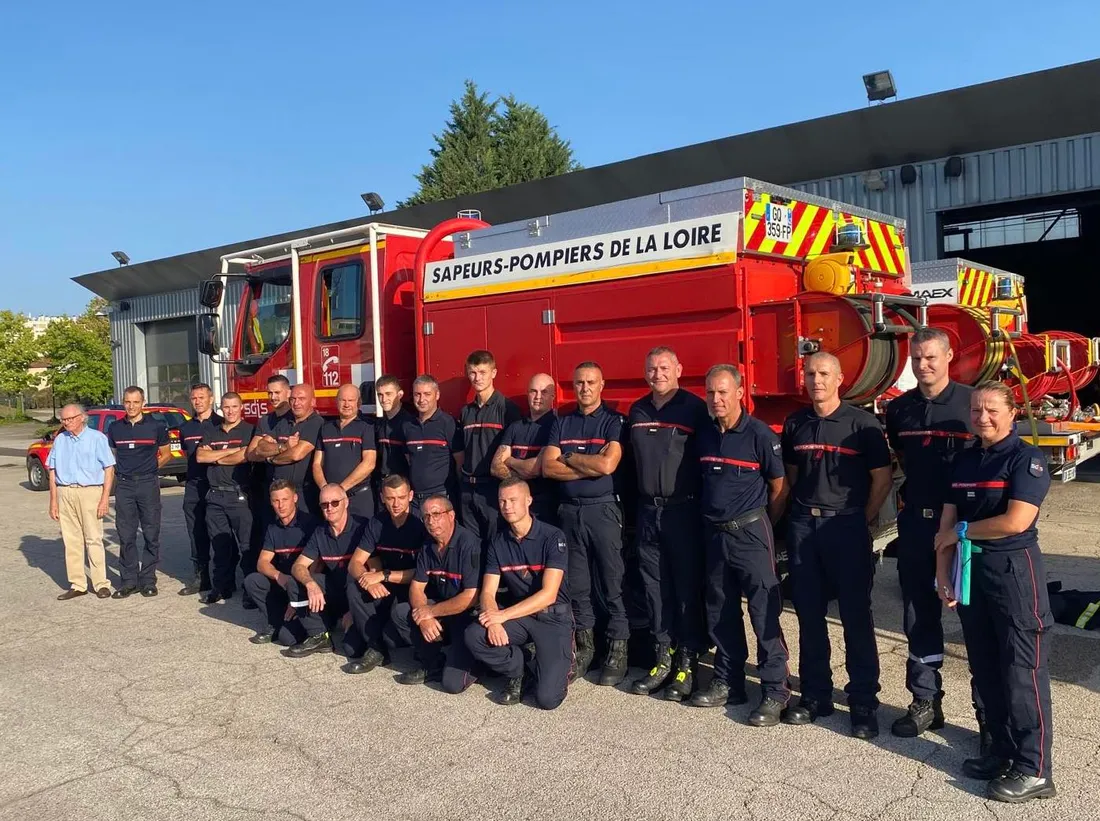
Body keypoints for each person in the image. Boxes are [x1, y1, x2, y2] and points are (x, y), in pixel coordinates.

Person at [934, 381, 1056, 803]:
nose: (982, 417)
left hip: (1013, 571)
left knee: (1022, 671)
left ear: (1011, 415)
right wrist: (942, 574)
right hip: (972, 570)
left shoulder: (1027, 460)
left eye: (991, 410)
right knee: (985, 667)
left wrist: (961, 532)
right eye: (975, 410)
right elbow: (945, 527)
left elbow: (1016, 520)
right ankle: (1001, 751)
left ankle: (1034, 769)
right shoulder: (966, 459)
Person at [781, 352, 892, 738]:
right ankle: (815, 696)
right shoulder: (796, 423)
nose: (816, 380)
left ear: (840, 378)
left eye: (824, 373)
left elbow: (882, 479)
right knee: (809, 617)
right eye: (810, 373)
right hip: (804, 529)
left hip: (845, 528)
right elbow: (792, 477)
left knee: (855, 619)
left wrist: (861, 518)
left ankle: (863, 701)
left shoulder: (863, 425)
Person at [884, 328, 978, 739]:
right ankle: (926, 701)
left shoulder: (970, 404)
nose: (923, 365)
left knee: (976, 617)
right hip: (917, 525)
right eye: (916, 358)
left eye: (931, 358)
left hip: (965, 529)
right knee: (919, 612)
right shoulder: (899, 410)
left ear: (948, 357)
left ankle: (987, 713)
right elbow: (903, 458)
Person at [694, 364, 791, 726]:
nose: (716, 399)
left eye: (722, 392)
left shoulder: (759, 435)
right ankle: (728, 682)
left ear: (739, 392)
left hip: (750, 532)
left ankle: (775, 690)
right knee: (720, 609)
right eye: (710, 393)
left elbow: (778, 486)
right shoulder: (704, 435)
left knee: (764, 610)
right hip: (714, 534)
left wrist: (763, 521)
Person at [627, 346, 710, 700]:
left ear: (678, 368)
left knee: (686, 589)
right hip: (648, 512)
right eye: (651, 368)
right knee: (654, 588)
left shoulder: (694, 409)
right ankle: (663, 659)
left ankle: (687, 664)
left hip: (683, 512)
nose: (657, 373)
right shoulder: (637, 410)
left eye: (663, 367)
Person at [542, 361, 628, 684]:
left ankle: (618, 650)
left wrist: (570, 458)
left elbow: (608, 465)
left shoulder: (613, 421)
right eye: (579, 383)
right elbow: (548, 468)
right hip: (569, 511)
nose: (585, 388)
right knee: (578, 585)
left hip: (602, 510)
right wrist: (587, 464)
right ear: (573, 385)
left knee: (612, 582)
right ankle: (586, 647)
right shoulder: (561, 424)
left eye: (591, 382)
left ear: (602, 384)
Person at [465, 478, 572, 708]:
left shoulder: (553, 537)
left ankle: (558, 658)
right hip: (521, 617)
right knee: (475, 635)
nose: (507, 506)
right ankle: (520, 670)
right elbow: (487, 593)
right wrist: (493, 621)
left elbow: (549, 594)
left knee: (547, 700)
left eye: (513, 500)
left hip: (553, 617)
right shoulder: (498, 541)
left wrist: (502, 616)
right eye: (502, 501)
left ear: (529, 501)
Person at [388, 494, 480, 689]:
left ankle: (477, 662)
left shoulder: (469, 544)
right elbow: (416, 587)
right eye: (426, 516)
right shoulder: (428, 546)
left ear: (451, 515)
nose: (431, 521)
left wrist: (430, 612)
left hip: (466, 616)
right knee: (402, 612)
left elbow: (470, 597)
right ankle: (433, 663)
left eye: (436, 514)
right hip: (441, 610)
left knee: (453, 685)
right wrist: (424, 617)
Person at [343, 476, 425, 674]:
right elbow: (355, 563)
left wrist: (383, 575)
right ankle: (377, 650)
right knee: (350, 646)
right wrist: (367, 581)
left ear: (411, 496)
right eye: (390, 498)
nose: (396, 504)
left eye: (401, 497)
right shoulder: (377, 522)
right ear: (382, 498)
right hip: (384, 585)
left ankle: (389, 641)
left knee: (391, 636)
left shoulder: (421, 522)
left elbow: (423, 573)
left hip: (412, 587)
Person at [47, 404, 115, 600]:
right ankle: (78, 584)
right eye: (63, 420)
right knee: (71, 540)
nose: (66, 423)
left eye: (69, 419)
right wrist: (53, 501)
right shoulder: (60, 440)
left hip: (90, 492)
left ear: (81, 418)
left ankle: (101, 583)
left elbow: (109, 469)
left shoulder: (97, 438)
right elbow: (52, 471)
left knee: (93, 538)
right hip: (65, 491)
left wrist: (104, 499)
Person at [107, 386, 171, 598]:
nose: (131, 406)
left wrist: (150, 469)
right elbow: (113, 456)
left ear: (143, 403)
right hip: (124, 485)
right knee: (126, 535)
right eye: (127, 402)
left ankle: (148, 580)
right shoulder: (115, 427)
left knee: (151, 534)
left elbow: (166, 454)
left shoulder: (157, 426)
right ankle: (129, 580)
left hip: (148, 484)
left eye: (135, 402)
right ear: (123, 402)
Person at [285, 484, 362, 658]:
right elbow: (298, 566)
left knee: (353, 650)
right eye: (324, 504)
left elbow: (373, 569)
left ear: (346, 502)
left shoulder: (361, 527)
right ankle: (319, 635)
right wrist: (311, 584)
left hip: (358, 595)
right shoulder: (320, 532)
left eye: (335, 503)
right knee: (295, 582)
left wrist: (354, 609)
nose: (329, 508)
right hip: (334, 591)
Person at [197, 393, 256, 604]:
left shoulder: (250, 430)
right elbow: (200, 456)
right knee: (220, 546)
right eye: (226, 407)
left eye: (234, 406)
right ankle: (221, 587)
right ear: (221, 408)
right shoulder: (211, 431)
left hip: (238, 495)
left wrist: (218, 457)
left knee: (246, 546)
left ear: (241, 407)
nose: (230, 411)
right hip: (215, 496)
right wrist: (232, 453)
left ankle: (250, 591)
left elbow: (245, 455)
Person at [459, 350, 522, 542]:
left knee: (496, 544)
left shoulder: (507, 408)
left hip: (494, 490)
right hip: (468, 490)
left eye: (483, 372)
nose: (477, 378)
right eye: (472, 372)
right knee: (471, 547)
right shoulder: (465, 412)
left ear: (494, 373)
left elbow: (515, 451)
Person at [242, 480, 316, 645]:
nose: (280, 505)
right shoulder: (272, 528)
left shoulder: (310, 524)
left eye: (285, 499)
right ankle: (274, 623)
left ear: (295, 498)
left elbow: (318, 565)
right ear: (271, 502)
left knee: (287, 639)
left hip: (305, 586)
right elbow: (262, 562)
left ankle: (309, 624)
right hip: (285, 582)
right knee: (253, 580)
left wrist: (296, 597)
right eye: (276, 500)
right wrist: (279, 576)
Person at [242, 374, 293, 606]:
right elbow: (253, 452)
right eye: (270, 393)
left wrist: (268, 448)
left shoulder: (296, 418)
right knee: (265, 538)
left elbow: (296, 451)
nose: (273, 397)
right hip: (269, 490)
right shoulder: (266, 420)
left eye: (277, 393)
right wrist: (280, 447)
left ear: (288, 393)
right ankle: (262, 588)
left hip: (294, 491)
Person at [491, 373, 558, 525]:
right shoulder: (515, 426)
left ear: (553, 396)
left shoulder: (556, 426)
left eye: (544, 392)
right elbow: (495, 467)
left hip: (543, 508)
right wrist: (523, 468)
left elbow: (535, 469)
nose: (537, 396)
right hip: (513, 510)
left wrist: (510, 460)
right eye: (533, 391)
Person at [178, 383, 223, 596]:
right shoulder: (185, 428)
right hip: (194, 486)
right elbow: (188, 456)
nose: (198, 401)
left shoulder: (221, 424)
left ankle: (224, 577)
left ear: (211, 399)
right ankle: (201, 577)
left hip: (216, 484)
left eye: (202, 397)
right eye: (194, 398)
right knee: (196, 531)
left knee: (221, 532)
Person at [402, 375, 464, 511]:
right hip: (414, 500)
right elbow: (409, 460)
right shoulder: (408, 426)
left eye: (427, 394)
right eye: (417, 394)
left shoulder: (448, 423)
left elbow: (460, 461)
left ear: (437, 395)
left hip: (441, 497)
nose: (421, 399)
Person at [314, 383, 377, 518]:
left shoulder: (367, 427)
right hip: (331, 502)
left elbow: (369, 463)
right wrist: (325, 489)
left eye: (351, 400)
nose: (346, 404)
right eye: (343, 400)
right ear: (336, 402)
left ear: (359, 403)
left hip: (359, 498)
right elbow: (317, 463)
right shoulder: (326, 428)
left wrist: (340, 490)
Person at [266, 384, 324, 515]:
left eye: (302, 399)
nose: (296, 403)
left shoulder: (316, 422)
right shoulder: (282, 422)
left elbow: (296, 454)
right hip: (278, 491)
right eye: (293, 399)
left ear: (313, 402)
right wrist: (284, 446)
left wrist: (271, 459)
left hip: (302, 493)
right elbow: (260, 448)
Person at [373, 374, 412, 497]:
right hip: (383, 485)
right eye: (380, 394)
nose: (383, 399)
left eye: (388, 394)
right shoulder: (378, 424)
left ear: (400, 394)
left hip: (401, 487)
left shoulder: (409, 424)